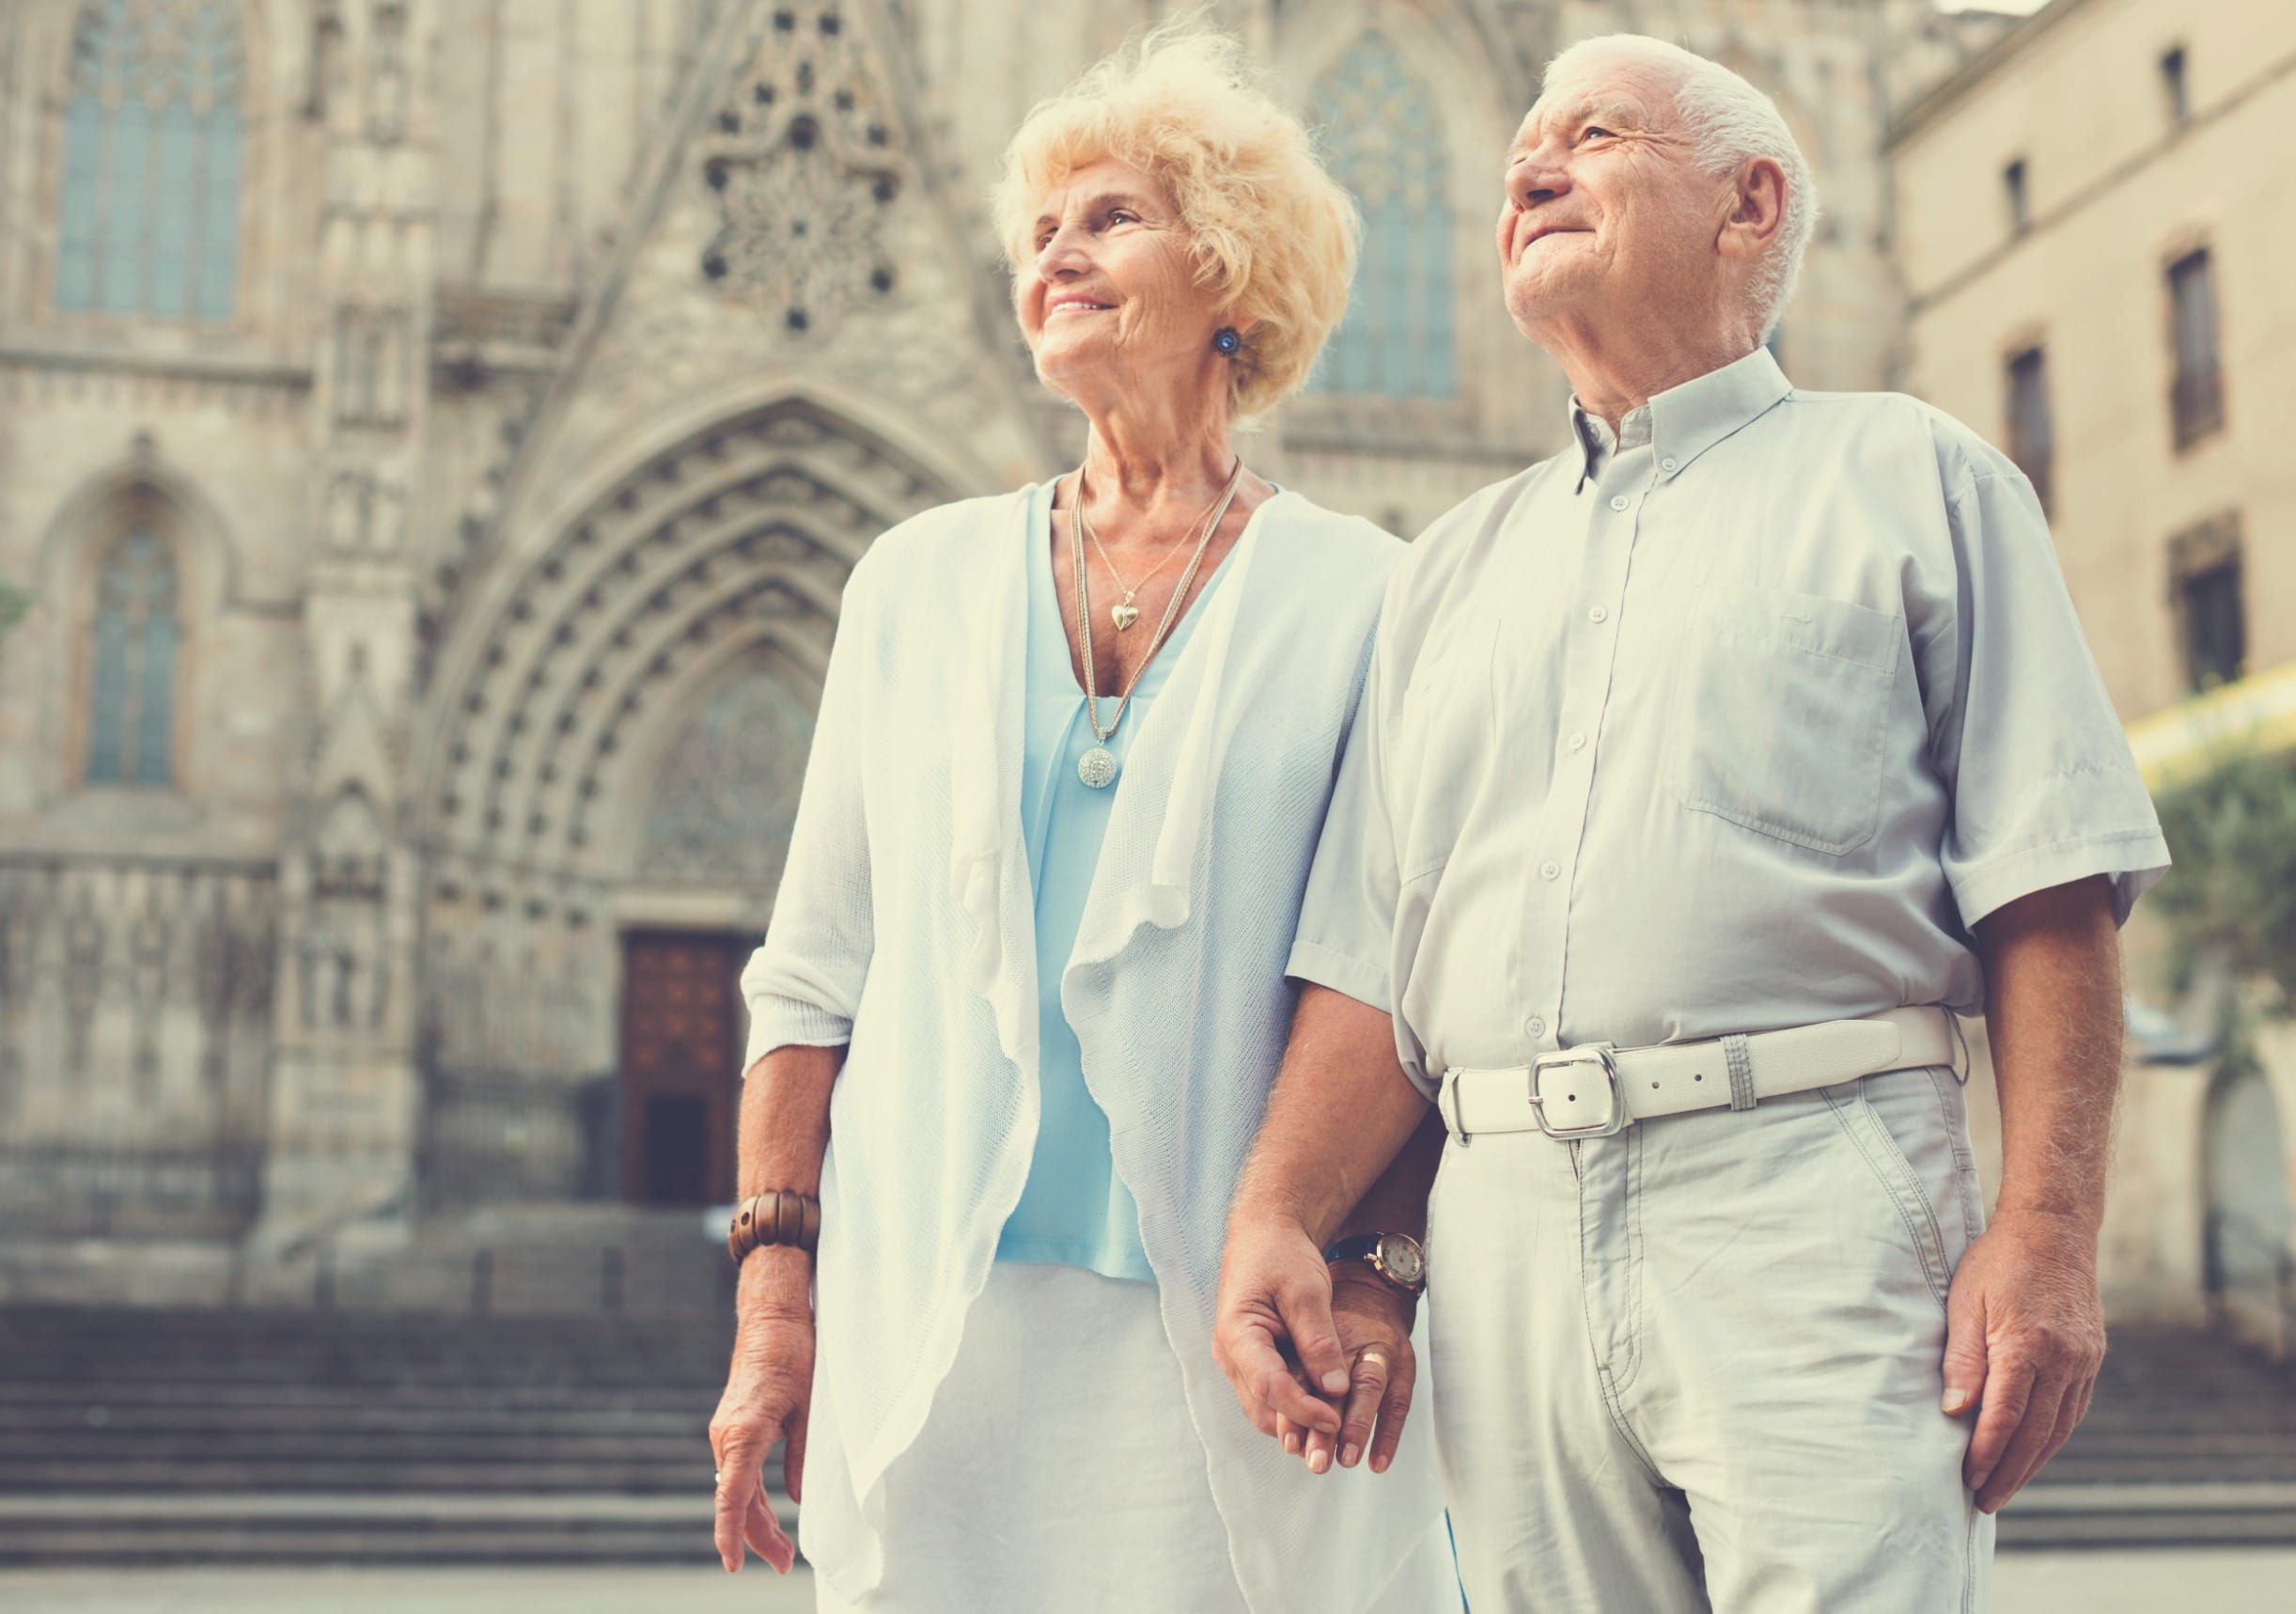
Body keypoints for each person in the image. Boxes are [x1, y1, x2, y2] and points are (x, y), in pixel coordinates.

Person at [1212, 32, 2170, 1614]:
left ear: (1751, 204)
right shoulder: (1444, 570)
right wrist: (1297, 1227)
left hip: (1809, 1188)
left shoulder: (1914, 477)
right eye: (1522, 149)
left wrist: (2050, 1230)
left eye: (1593, 136)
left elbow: (2049, 890)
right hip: (1505, 1221)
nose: (1528, 170)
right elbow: (1382, 971)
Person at [707, 23, 1459, 1614]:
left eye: (1111, 217)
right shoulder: (911, 582)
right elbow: (810, 968)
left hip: (1220, 1342)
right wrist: (778, 1296)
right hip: (939, 1335)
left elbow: (1395, 978)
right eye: (1041, 230)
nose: (1059, 252)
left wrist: (1382, 1269)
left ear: (1233, 279)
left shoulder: (1369, 597)